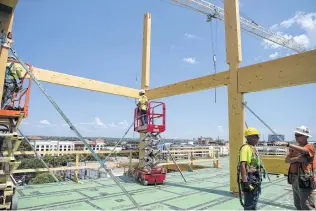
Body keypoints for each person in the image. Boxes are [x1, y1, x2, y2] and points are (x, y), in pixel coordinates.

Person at [275, 125, 315, 210]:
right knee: (298, 204)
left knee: (306, 205)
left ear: (306, 136)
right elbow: (287, 160)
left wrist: (288, 144)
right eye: (295, 135)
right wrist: (297, 159)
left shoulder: (309, 147)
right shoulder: (294, 149)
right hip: (295, 179)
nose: (296, 137)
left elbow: (304, 151)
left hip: (305, 179)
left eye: (298, 135)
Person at [238, 127, 262, 210]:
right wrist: (245, 182)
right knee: (249, 203)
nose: (258, 139)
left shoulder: (253, 148)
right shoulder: (246, 148)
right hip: (250, 180)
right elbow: (242, 164)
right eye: (257, 137)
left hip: (255, 179)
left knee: (253, 202)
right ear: (252, 137)